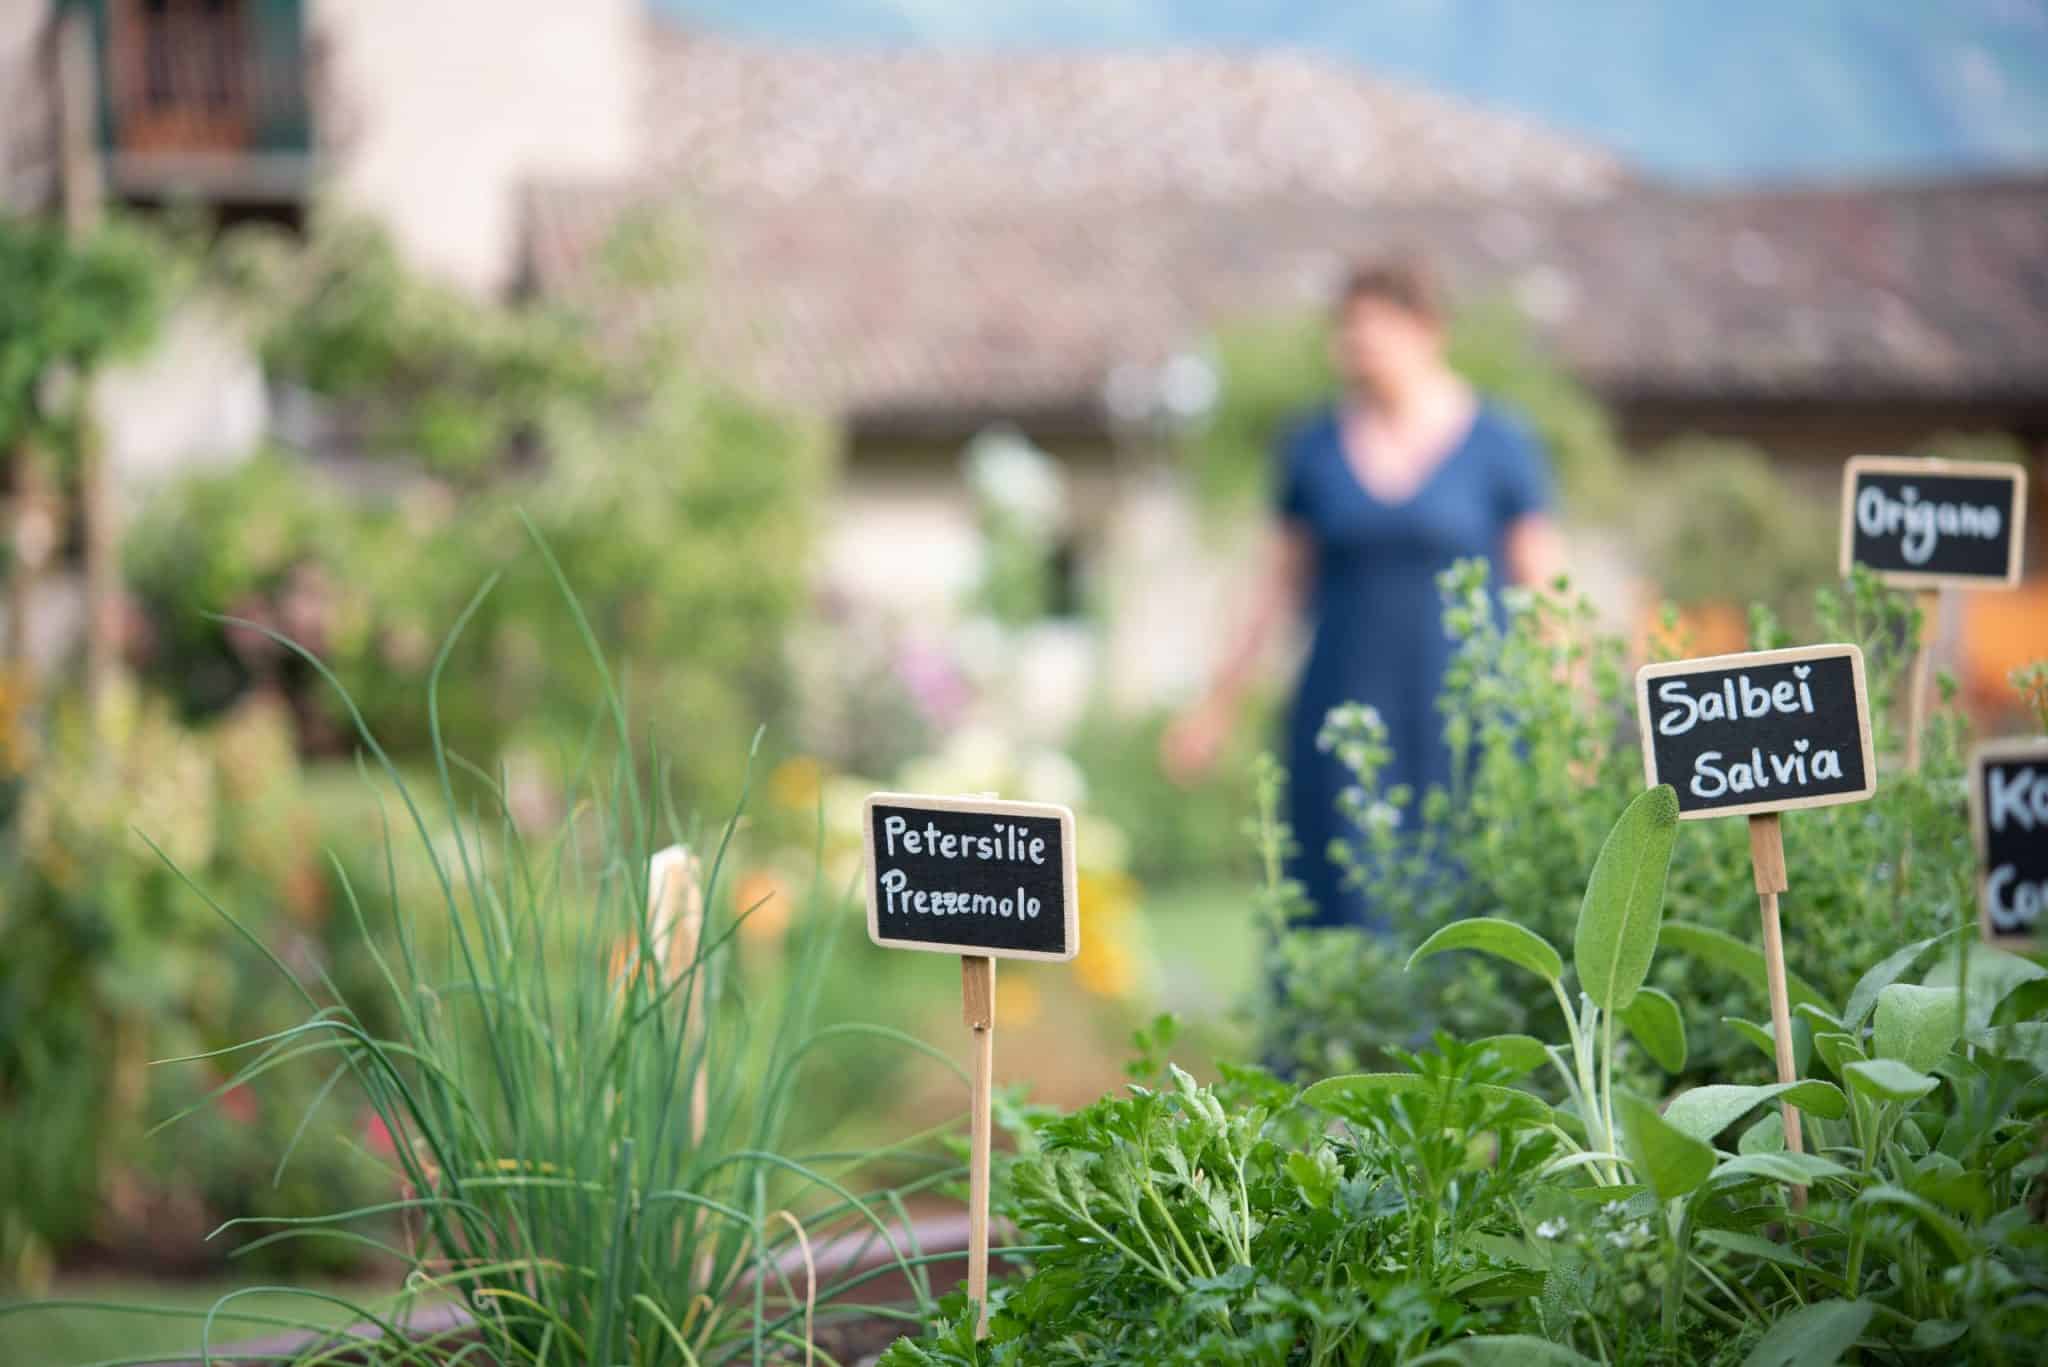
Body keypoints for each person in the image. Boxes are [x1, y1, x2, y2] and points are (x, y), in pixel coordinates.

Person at [1162, 256, 1563, 929]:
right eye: (1348, 331)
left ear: (1428, 329)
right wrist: (1216, 705)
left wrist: (1569, 711)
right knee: (1343, 905)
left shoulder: (1500, 443)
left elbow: (1546, 589)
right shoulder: (1313, 447)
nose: (1356, 346)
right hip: (1342, 710)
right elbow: (1273, 589)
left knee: (1470, 909)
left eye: (1375, 329)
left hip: (1466, 722)